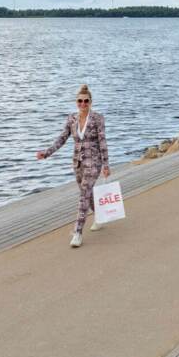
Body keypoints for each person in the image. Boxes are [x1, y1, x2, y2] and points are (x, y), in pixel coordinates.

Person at [36, 83, 110, 248]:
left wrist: (106, 164)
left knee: (83, 194)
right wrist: (47, 153)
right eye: (80, 101)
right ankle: (99, 216)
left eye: (86, 101)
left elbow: (102, 142)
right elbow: (62, 138)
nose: (83, 104)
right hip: (77, 163)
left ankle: (77, 232)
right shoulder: (71, 119)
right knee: (87, 195)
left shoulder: (98, 118)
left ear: (91, 102)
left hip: (94, 162)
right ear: (76, 102)